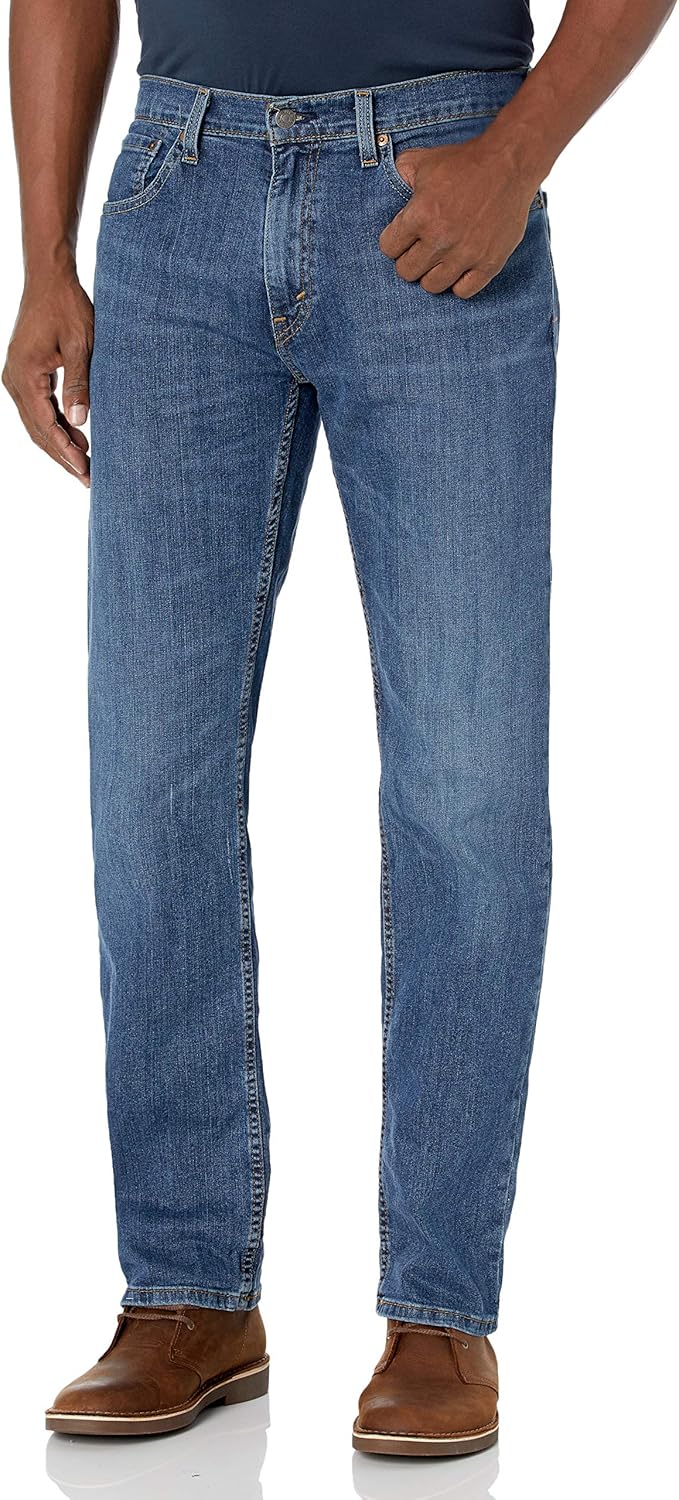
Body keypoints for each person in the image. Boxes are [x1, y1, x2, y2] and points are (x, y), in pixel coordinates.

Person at [3, 0, 674, 1458]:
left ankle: (439, 1308)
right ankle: (186, 1293)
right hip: (177, 191)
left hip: (437, 174)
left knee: (468, 783)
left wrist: (516, 157)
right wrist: (43, 256)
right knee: (149, 782)